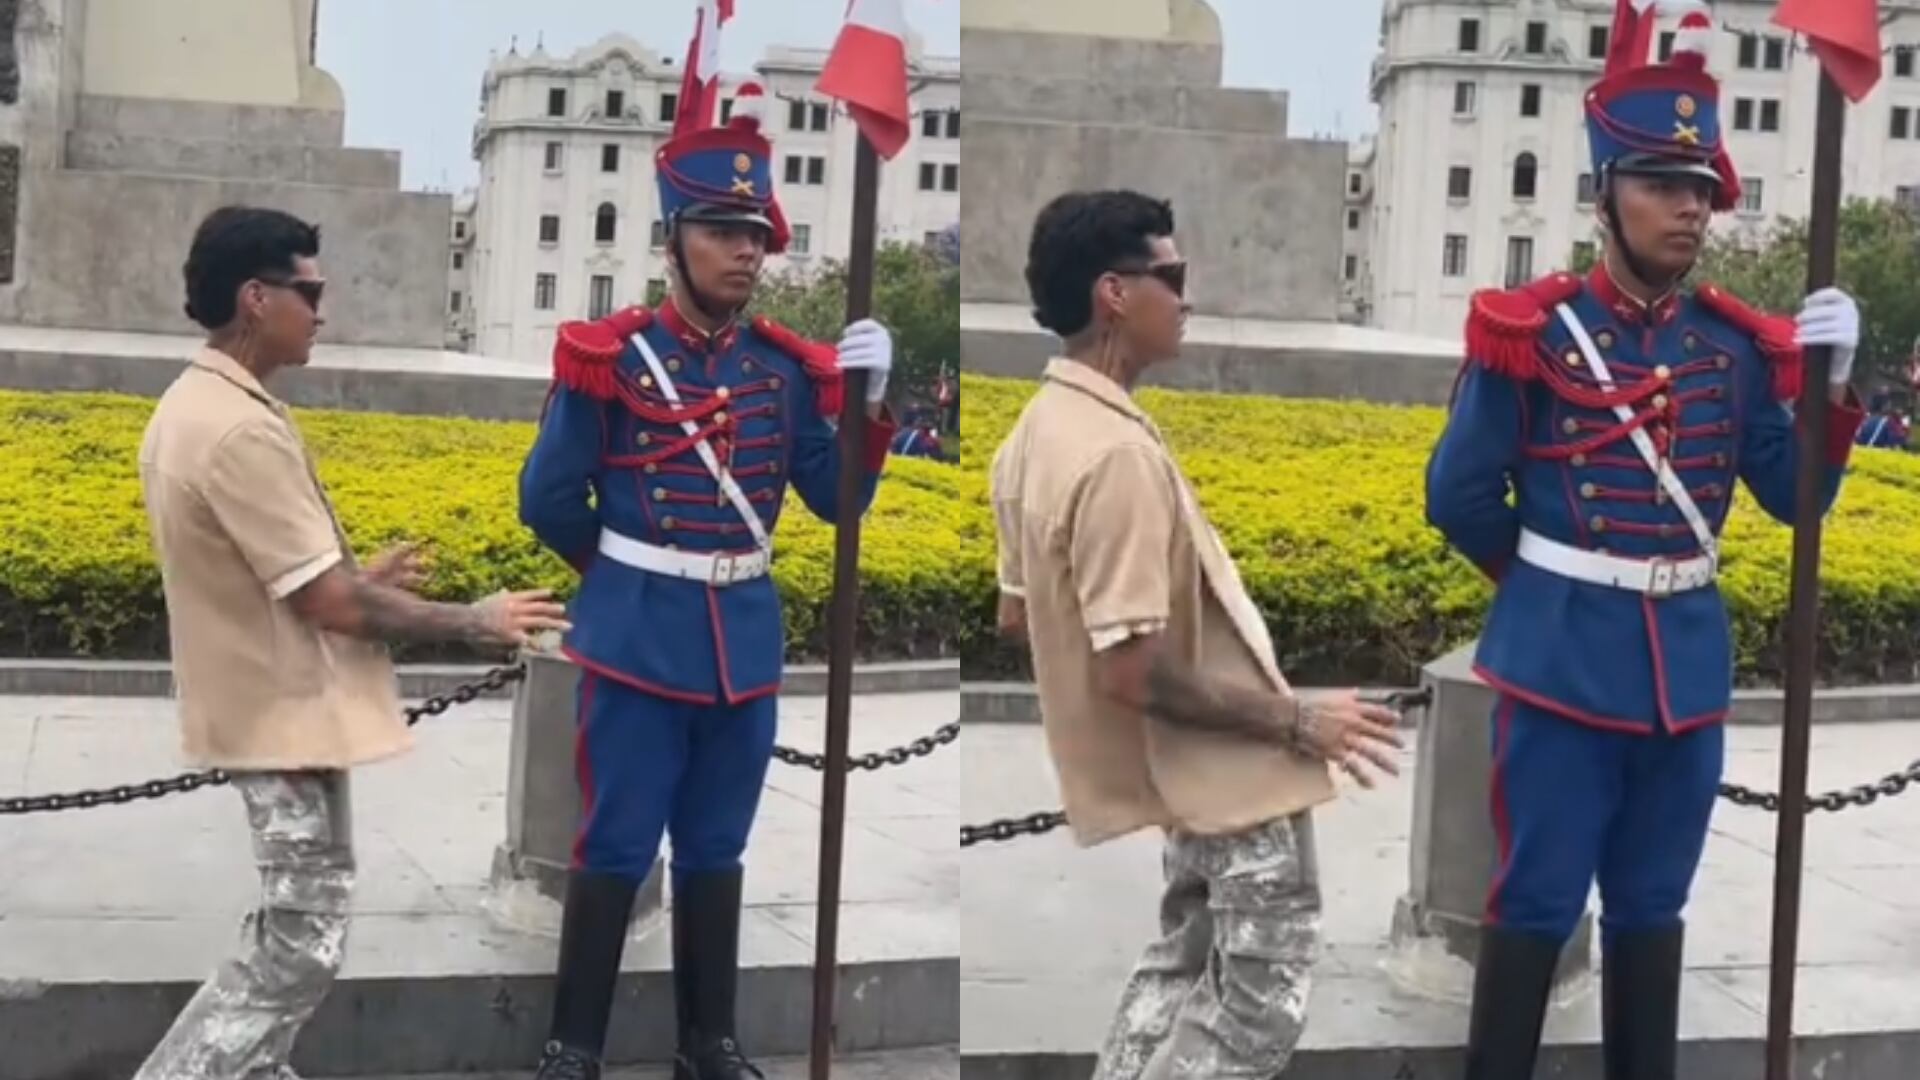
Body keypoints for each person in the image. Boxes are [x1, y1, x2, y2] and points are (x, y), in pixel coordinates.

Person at [1423, 10, 1867, 1077]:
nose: (1691, 209)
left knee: (1654, 908)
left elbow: (1790, 500)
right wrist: (1545, 593)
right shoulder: (1534, 330)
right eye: (1666, 185)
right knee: (1535, 900)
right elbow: (1461, 495)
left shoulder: (1736, 346)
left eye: (1704, 189)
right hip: (1563, 669)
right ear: (1607, 191)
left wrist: (1835, 388)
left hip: (1687, 674)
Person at [133, 205, 571, 1080]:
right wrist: (474, 620)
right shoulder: (236, 427)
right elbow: (328, 604)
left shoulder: (206, 402)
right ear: (257, 298)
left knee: (292, 931)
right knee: (298, 946)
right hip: (278, 717)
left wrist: (359, 575)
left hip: (272, 703)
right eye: (311, 290)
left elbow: (287, 579)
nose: (322, 310)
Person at [516, 84, 898, 1080]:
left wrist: (870, 404)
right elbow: (550, 497)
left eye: (757, 233)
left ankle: (708, 1044)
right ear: (676, 236)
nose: (747, 251)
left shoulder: (782, 372)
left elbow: (836, 501)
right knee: (617, 841)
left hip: (744, 639)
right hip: (639, 642)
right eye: (724, 230)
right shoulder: (612, 359)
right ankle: (574, 1046)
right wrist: (623, 578)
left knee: (718, 844)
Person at [988, 189, 1404, 1080]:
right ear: (1113, 293)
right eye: (1171, 275)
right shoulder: (1114, 455)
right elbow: (1132, 670)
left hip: (1180, 772)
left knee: (1182, 967)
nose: (1187, 296)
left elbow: (1017, 614)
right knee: (1253, 1009)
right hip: (1228, 775)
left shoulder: (1033, 435)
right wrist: (1299, 721)